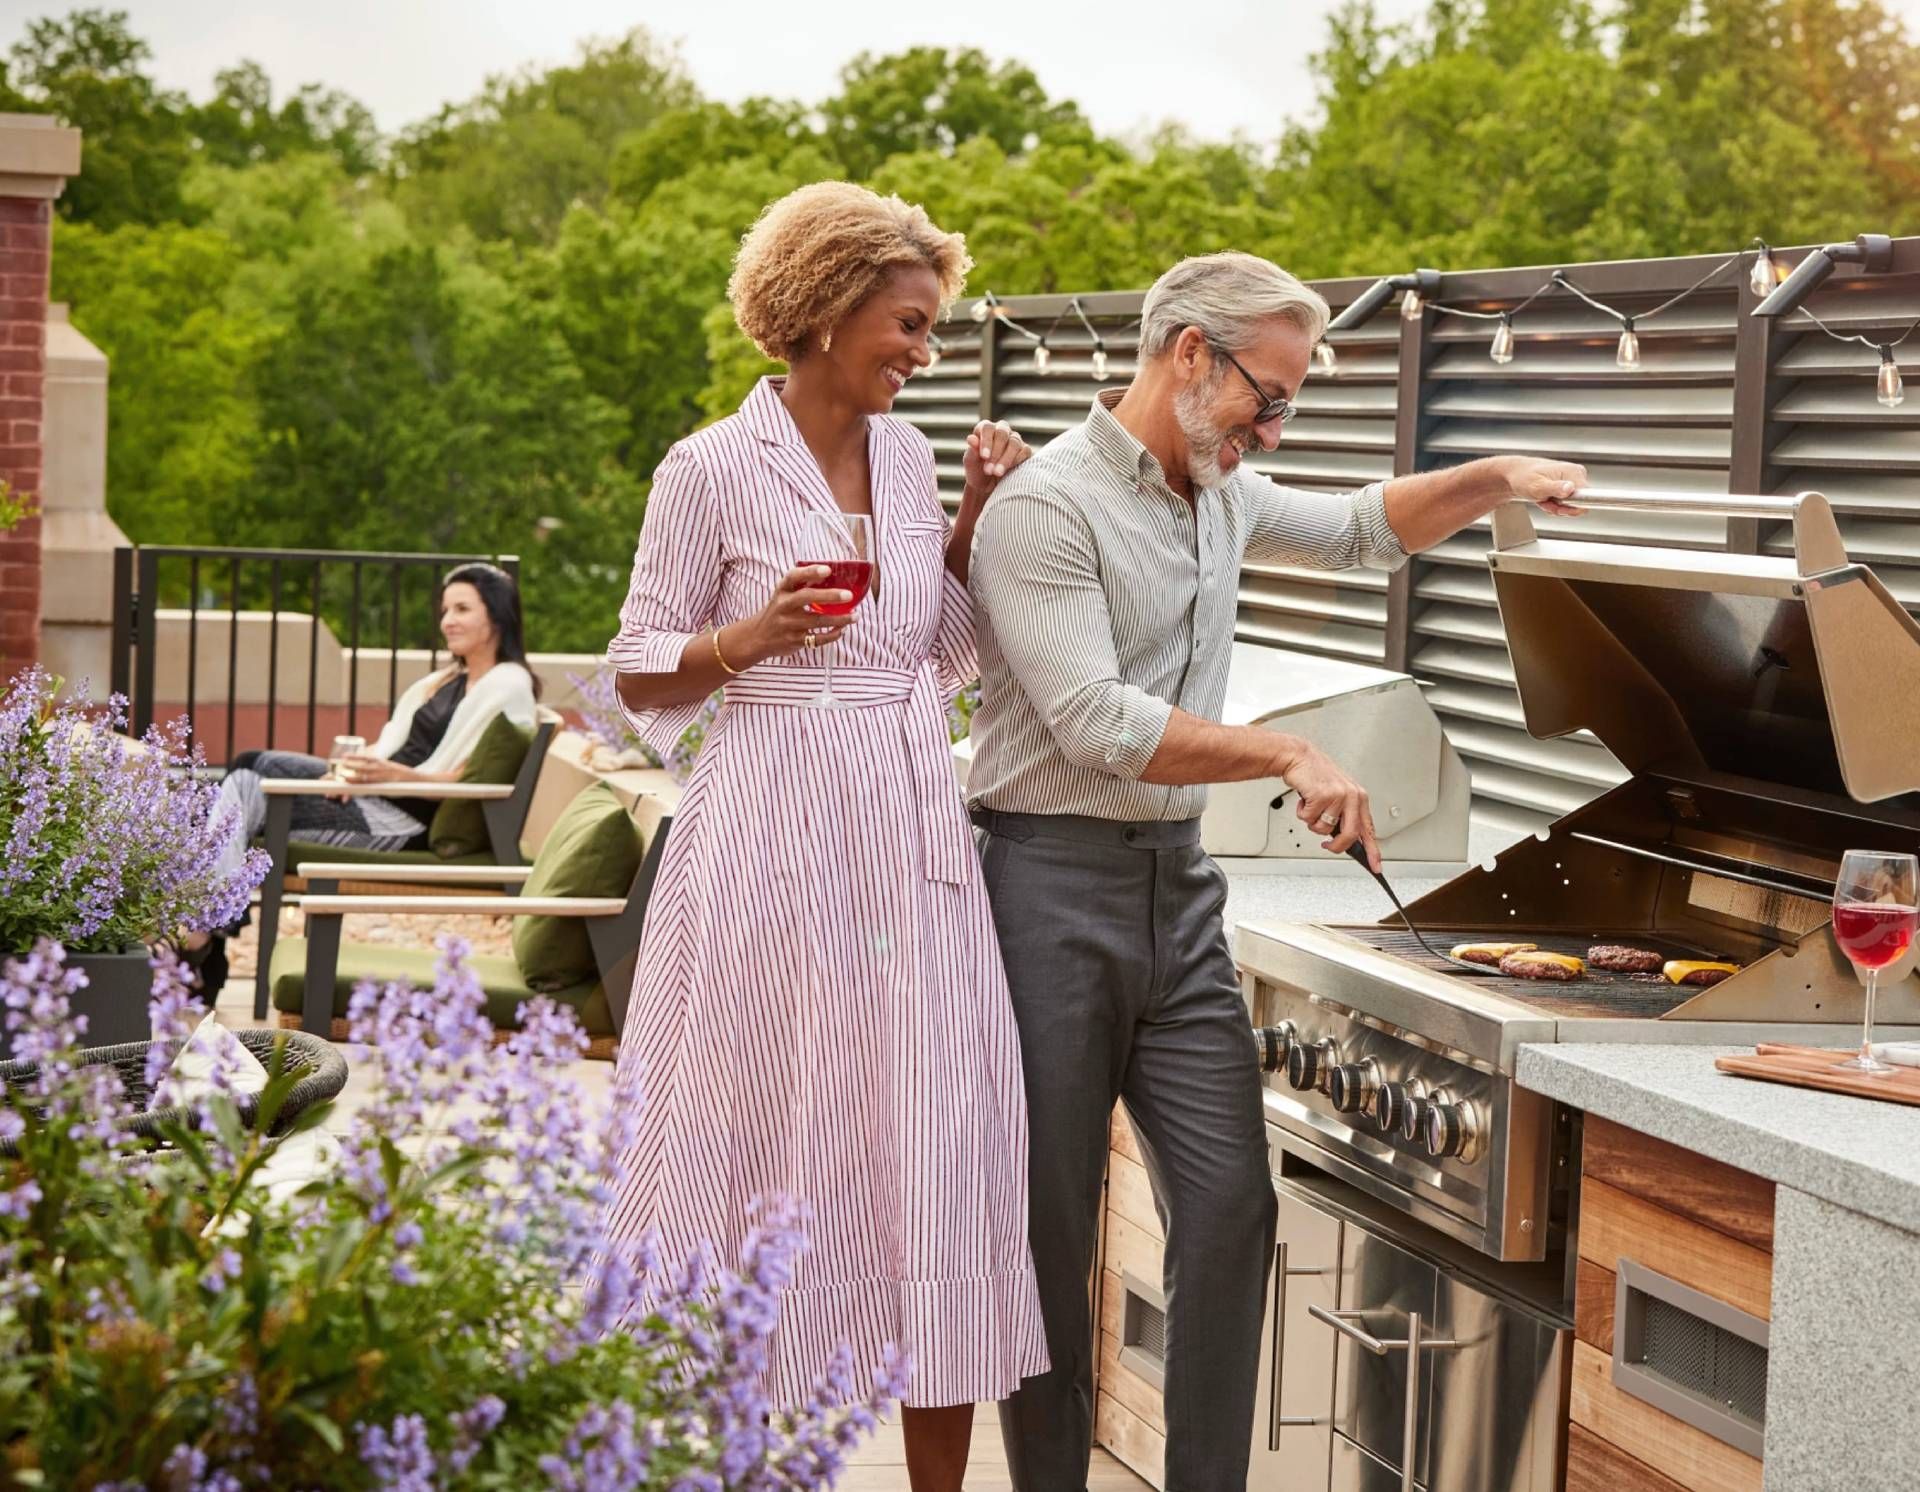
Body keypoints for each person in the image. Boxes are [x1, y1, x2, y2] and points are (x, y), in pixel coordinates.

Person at [966, 250, 1588, 1492]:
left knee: (1232, 1205)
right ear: (1189, 355)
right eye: (1272, 391)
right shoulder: (1049, 505)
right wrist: (1289, 750)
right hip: (1043, 888)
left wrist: (1494, 475)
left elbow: (1363, 530)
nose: (1277, 420)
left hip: (1178, 893)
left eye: (1290, 401)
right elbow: (1099, 721)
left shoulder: (1222, 488)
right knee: (1048, 1237)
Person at [597, 181, 1047, 1492]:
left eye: (929, 330)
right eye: (907, 324)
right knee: (747, 1131)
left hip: (908, 835)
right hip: (762, 834)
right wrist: (744, 641)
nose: (922, 351)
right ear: (823, 308)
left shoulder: (910, 460)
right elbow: (635, 669)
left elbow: (936, 654)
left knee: (936, 1139)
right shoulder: (708, 469)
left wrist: (968, 525)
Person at [193, 562, 539, 992]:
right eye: (445, 609)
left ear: (497, 615)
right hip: (378, 793)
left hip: (402, 820)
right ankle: (208, 933)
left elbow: (467, 780)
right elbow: (394, 744)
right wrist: (352, 771)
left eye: (463, 609)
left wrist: (393, 776)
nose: (448, 620)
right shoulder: (450, 679)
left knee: (245, 784)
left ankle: (204, 936)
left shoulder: (508, 684)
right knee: (248, 764)